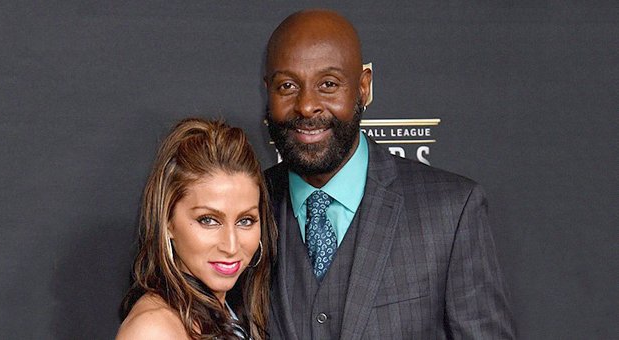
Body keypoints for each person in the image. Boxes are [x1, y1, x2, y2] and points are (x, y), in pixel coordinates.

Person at [262, 9, 515, 339]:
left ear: (364, 87)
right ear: (268, 91)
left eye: (328, 84)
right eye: (288, 85)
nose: (307, 106)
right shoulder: (244, 209)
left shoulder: (451, 212)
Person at [116, 118, 277, 340]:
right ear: (168, 221)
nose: (231, 246)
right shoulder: (153, 330)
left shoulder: (227, 313)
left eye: (245, 221)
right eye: (208, 220)